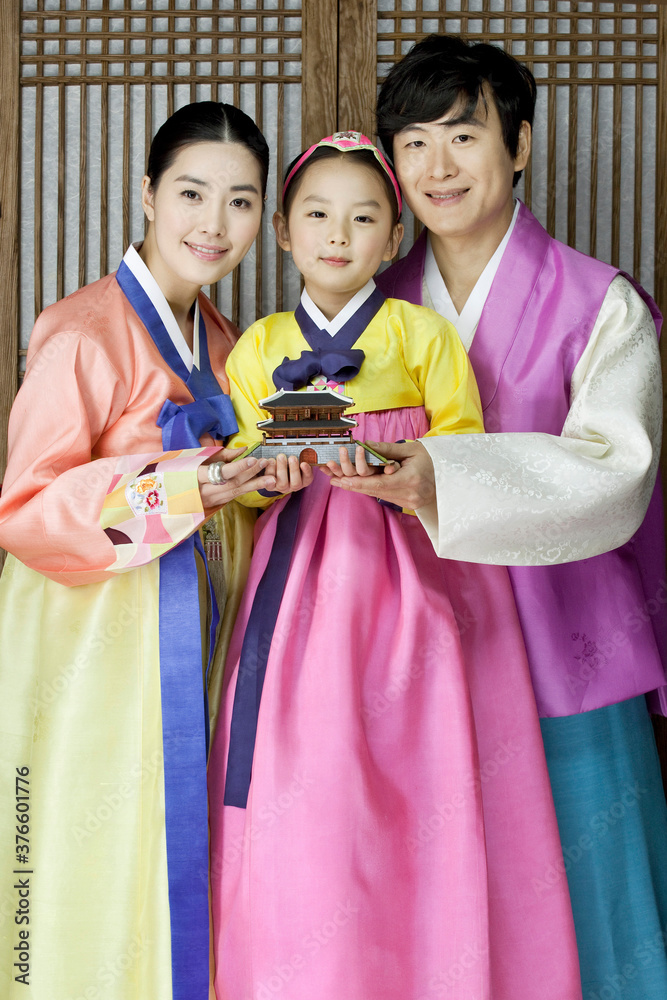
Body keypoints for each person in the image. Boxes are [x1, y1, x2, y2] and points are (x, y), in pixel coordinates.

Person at [326, 35, 667, 999]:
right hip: (414, 652)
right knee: (434, 913)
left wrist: (441, 476)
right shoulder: (367, 309)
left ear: (516, 146)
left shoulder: (599, 304)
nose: (437, 166)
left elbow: (617, 471)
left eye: (462, 135)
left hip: (568, 649)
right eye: (413, 143)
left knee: (597, 914)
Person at [208, 131, 582, 1000]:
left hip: (410, 577)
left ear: (394, 236)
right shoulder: (258, 347)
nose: (338, 235)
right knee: (308, 783)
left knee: (420, 777)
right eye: (316, 215)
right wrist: (265, 477)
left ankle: (421, 965)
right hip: (296, 584)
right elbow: (242, 470)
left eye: (363, 217)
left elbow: (464, 452)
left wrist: (406, 470)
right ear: (283, 232)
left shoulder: (422, 334)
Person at [0, 102, 279, 1000]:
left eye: (240, 201)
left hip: (197, 645)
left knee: (175, 865)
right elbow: (26, 506)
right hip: (93, 654)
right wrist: (186, 484)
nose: (213, 223)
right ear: (149, 194)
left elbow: (232, 494)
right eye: (192, 193)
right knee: (92, 856)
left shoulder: (230, 347)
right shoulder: (82, 332)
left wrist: (260, 484)